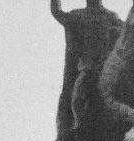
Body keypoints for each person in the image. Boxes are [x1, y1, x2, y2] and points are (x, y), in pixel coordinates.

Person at [50, 0, 122, 132]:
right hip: (93, 71)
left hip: (95, 71)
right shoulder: (109, 16)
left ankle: (78, 124)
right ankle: (79, 123)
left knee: (77, 97)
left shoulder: (108, 16)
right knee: (77, 97)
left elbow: (56, 11)